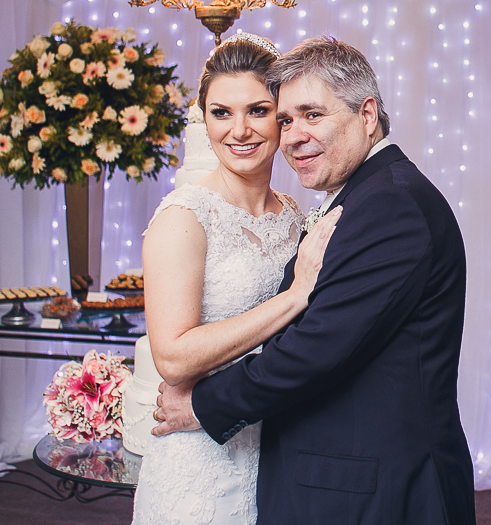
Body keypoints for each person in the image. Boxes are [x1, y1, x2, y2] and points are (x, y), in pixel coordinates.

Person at [153, 36, 476, 525]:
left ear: (367, 116)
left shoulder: (389, 204)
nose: (293, 136)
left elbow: (317, 348)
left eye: (313, 115)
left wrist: (201, 405)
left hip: (375, 488)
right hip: (328, 475)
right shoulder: (361, 195)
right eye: (285, 119)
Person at [132, 33, 341, 525]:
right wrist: (293, 299)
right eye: (221, 113)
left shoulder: (293, 215)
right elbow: (173, 358)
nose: (239, 130)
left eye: (257, 110)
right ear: (204, 121)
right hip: (199, 462)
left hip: (276, 450)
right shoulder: (183, 219)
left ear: (282, 118)